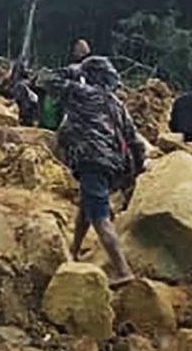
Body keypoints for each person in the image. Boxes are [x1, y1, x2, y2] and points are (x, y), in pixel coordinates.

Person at [55, 56, 144, 280]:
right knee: (87, 207)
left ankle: (124, 271)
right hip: (113, 164)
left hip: (91, 161)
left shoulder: (81, 93)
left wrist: (71, 71)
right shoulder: (116, 104)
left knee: (100, 217)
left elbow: (45, 79)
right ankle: (73, 251)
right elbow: (135, 141)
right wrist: (137, 171)